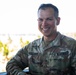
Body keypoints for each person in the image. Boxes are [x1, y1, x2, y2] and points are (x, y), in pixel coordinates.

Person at [6, 3, 76, 75]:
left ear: (57, 21)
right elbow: (11, 65)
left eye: (49, 19)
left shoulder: (72, 45)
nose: (44, 24)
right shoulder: (32, 47)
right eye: (40, 19)